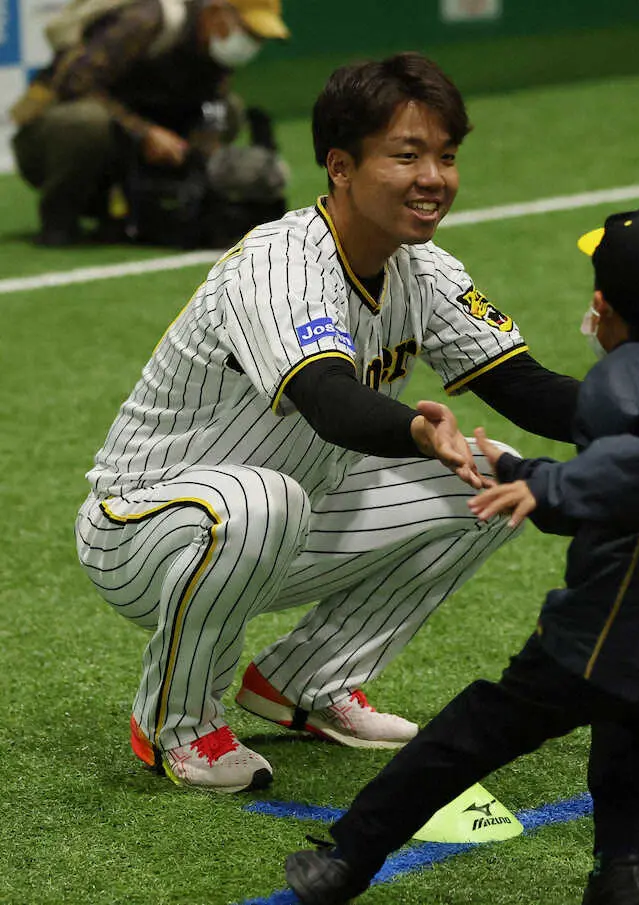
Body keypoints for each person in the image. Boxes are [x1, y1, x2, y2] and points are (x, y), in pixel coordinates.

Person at [73, 52, 581, 793]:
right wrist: (414, 429)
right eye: (406, 155)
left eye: (445, 156)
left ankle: (303, 683)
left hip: (287, 519)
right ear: (341, 166)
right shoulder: (279, 262)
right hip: (145, 527)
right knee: (260, 499)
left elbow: (525, 387)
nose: (433, 177)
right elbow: (328, 397)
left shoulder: (425, 269)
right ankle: (174, 721)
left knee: (493, 474)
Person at [281, 201, 639, 905]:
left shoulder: (627, 376)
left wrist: (550, 483)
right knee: (632, 719)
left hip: (616, 635)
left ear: (602, 308)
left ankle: (345, 860)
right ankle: (622, 872)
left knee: (473, 729)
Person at [9, 0, 289, 246]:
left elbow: (214, 103)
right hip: (51, 141)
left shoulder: (214, 52)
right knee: (87, 122)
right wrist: (145, 134)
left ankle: (155, 207)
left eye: (259, 37)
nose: (252, 44)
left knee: (229, 111)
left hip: (134, 144)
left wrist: (205, 152)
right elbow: (74, 85)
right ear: (216, 12)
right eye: (249, 32)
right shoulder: (146, 19)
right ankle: (59, 219)